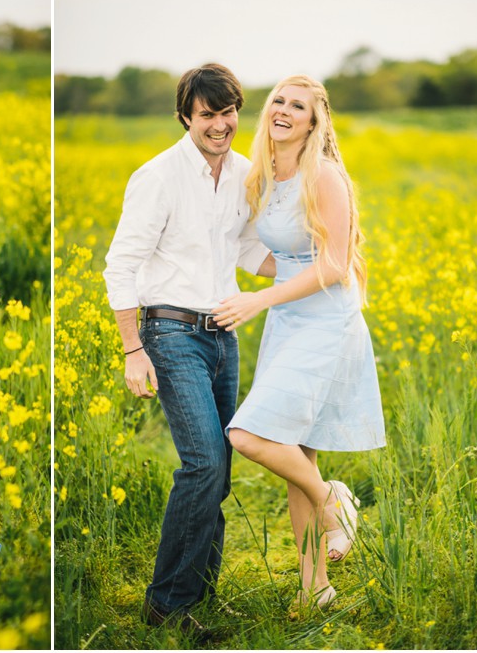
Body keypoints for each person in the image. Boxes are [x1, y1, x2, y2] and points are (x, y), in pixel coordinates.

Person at [103, 63, 276, 639]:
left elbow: (250, 251)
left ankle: (198, 597)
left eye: (229, 112)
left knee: (219, 469)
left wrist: (315, 270)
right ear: (185, 116)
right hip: (169, 332)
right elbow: (121, 264)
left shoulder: (245, 174)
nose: (222, 124)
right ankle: (165, 605)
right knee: (203, 462)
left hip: (223, 333)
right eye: (209, 114)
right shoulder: (156, 177)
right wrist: (133, 349)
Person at [211, 75, 385, 614]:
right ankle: (315, 587)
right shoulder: (265, 175)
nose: (284, 110)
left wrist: (260, 300)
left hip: (326, 323)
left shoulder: (323, 175)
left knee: (247, 435)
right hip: (290, 320)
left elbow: (333, 265)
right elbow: (278, 254)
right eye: (279, 101)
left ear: (315, 121)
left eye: (299, 106)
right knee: (296, 450)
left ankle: (334, 501)